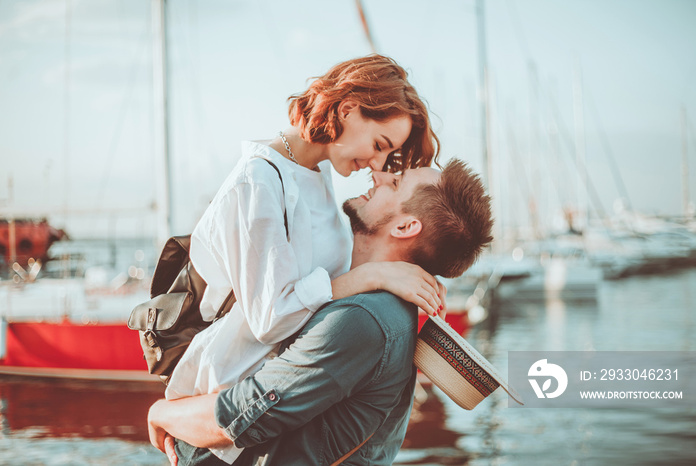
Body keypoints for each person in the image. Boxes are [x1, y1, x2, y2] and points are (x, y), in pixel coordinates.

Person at [164, 54, 443, 463]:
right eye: (381, 145)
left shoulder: (317, 175)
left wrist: (411, 271)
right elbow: (271, 317)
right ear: (348, 109)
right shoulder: (258, 181)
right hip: (225, 412)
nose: (379, 164)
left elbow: (333, 271)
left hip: (271, 402)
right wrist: (375, 276)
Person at [148, 159, 494, 465]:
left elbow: (249, 412)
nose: (378, 173)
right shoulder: (379, 301)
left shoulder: (363, 318)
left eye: (395, 182)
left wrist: (162, 412)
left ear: (405, 227)